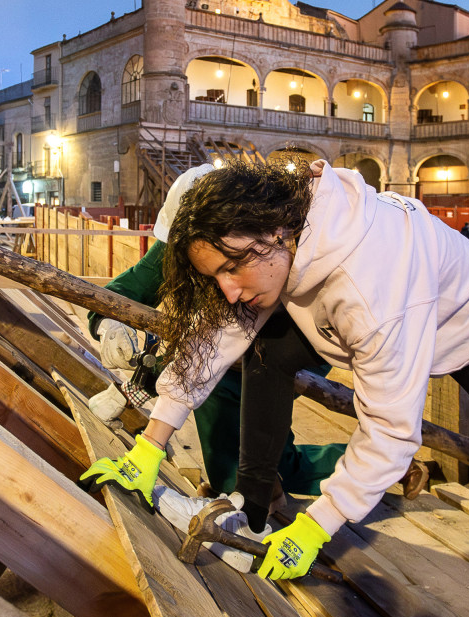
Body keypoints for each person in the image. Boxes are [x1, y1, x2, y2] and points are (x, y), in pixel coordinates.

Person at [82, 160, 469, 617]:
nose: (230, 287)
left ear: (276, 236)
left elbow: (390, 430)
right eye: (218, 276)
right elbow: (217, 337)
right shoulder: (278, 235)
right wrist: (151, 442)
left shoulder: (370, 287)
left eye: (232, 269)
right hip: (367, 308)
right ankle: (250, 511)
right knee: (264, 354)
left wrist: (320, 525)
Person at [87, 165, 346, 501]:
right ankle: (266, 485)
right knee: (274, 456)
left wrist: (137, 388)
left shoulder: (280, 258)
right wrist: (109, 325)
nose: (225, 285)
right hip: (231, 347)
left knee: (230, 398)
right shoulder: (181, 254)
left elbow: (215, 348)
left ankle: (240, 494)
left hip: (304, 340)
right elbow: (130, 293)